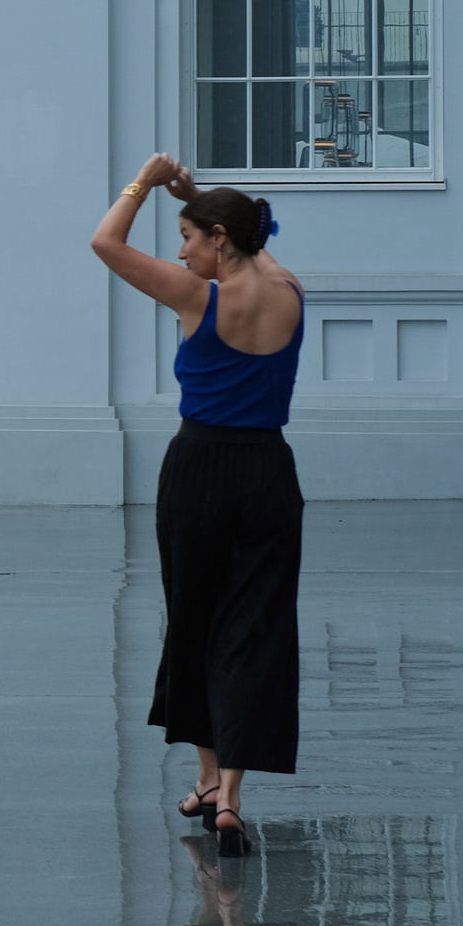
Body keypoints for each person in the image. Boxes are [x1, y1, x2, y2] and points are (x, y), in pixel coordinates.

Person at [91, 154, 304, 858]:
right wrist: (202, 202)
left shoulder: (197, 298)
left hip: (201, 467)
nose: (180, 250)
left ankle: (210, 774)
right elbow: (256, 242)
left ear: (216, 238)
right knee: (255, 627)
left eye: (187, 235)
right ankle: (227, 794)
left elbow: (105, 244)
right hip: (270, 471)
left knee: (196, 621)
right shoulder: (289, 290)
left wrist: (144, 185)